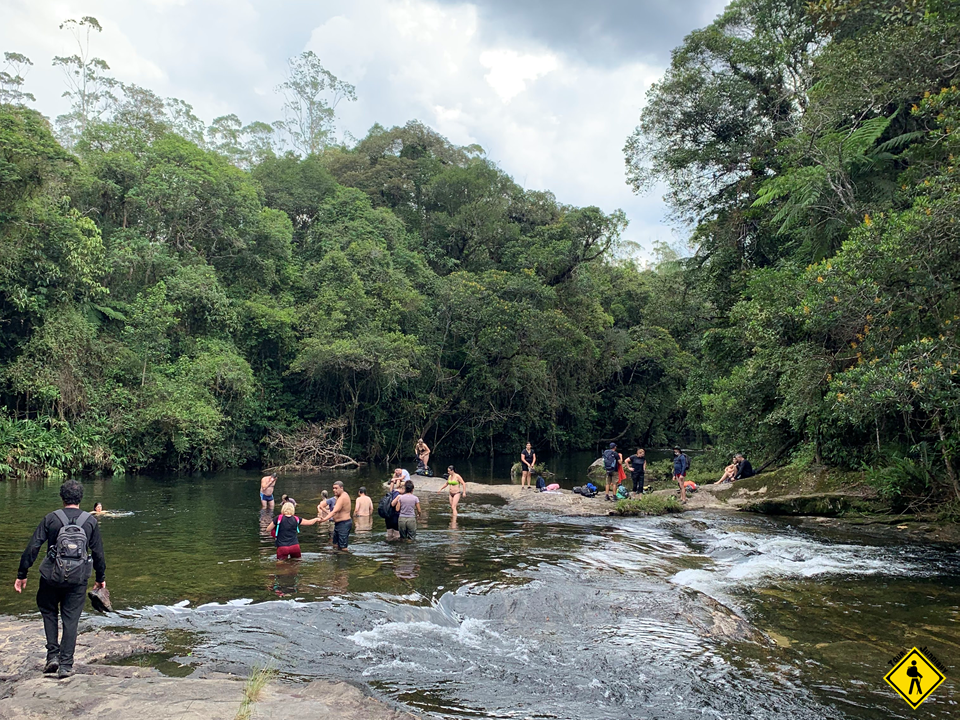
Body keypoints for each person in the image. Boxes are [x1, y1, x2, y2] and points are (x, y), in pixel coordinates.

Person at [15, 480, 106, 679]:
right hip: (78, 579)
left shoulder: (51, 519)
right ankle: (66, 665)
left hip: (51, 577)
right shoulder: (90, 522)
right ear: (81, 499)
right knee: (71, 619)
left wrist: (22, 574)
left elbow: (33, 548)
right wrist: (101, 578)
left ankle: (52, 656)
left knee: (48, 612)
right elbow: (98, 553)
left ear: (62, 497)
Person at [318, 481, 352, 552]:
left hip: (344, 524)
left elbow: (334, 511)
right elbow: (322, 505)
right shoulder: (337, 497)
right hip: (338, 524)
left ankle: (344, 559)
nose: (334, 490)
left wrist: (324, 519)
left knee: (343, 547)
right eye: (333, 488)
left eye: (336, 488)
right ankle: (336, 560)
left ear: (341, 488)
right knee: (335, 545)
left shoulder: (342, 497)